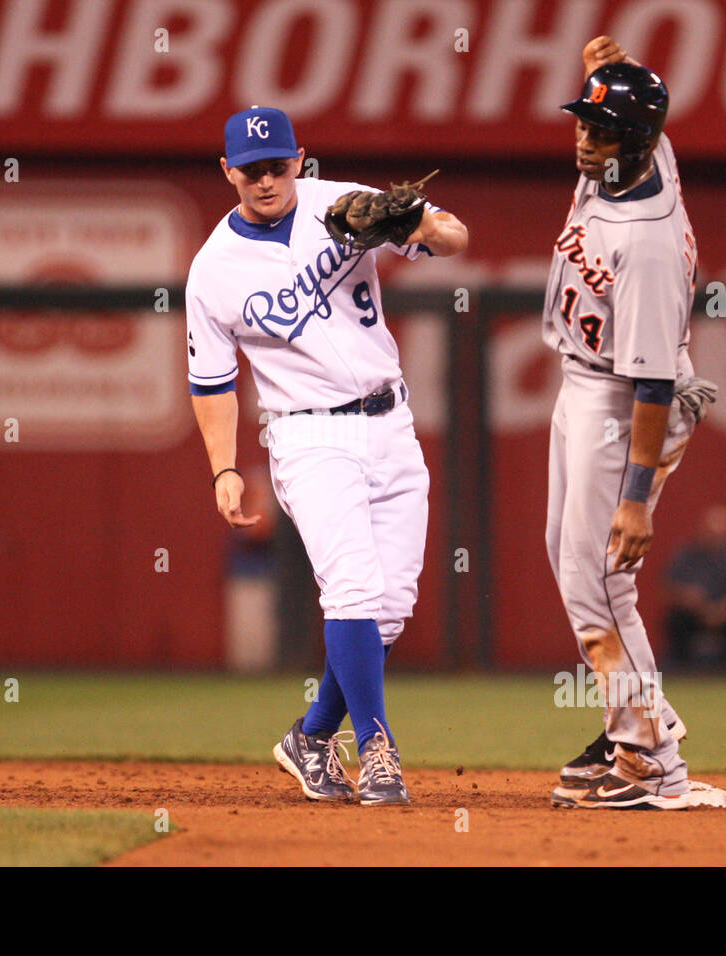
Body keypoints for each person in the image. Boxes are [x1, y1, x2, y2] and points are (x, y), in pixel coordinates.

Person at [186, 107, 467, 805]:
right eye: (250, 169)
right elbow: (212, 382)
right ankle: (375, 751)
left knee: (391, 609)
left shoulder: (341, 203)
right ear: (228, 173)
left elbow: (457, 238)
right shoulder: (212, 270)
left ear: (298, 159)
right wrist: (223, 465)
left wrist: (412, 222)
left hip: (390, 418)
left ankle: (310, 738)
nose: (265, 179)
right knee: (351, 591)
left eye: (277, 165)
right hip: (308, 434)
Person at [541, 38, 726, 809]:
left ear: (638, 142)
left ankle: (650, 757)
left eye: (602, 128)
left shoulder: (645, 243)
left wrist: (636, 499)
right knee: (569, 560)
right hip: (588, 385)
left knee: (600, 580)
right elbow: (639, 116)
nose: (586, 138)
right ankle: (628, 722)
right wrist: (607, 70)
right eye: (583, 121)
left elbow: (652, 383)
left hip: (625, 405)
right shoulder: (634, 159)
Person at [665, 505, 726, 669]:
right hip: (693, 615)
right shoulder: (686, 554)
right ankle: (679, 669)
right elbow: (669, 587)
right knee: (677, 620)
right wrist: (693, 602)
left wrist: (721, 611)